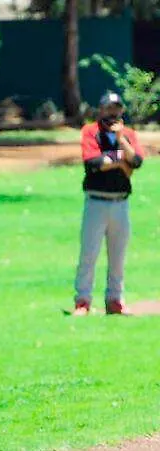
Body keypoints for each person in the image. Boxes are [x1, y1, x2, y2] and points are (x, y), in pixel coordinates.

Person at [73, 92, 145, 316]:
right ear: (101, 109)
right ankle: (83, 301)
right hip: (96, 201)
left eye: (116, 109)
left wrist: (122, 141)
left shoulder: (129, 134)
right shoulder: (91, 131)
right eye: (109, 108)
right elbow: (94, 162)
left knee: (118, 256)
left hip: (120, 203)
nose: (113, 113)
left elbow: (137, 162)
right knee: (89, 254)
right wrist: (122, 163)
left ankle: (114, 300)